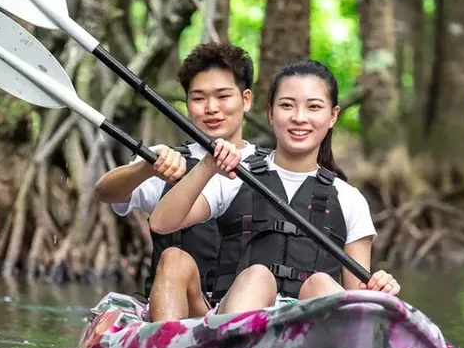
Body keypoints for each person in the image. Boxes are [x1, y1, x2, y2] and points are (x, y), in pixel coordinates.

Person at [149, 58, 399, 315]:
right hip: (232, 320)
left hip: (310, 330)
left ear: (333, 116)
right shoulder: (235, 175)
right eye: (287, 106)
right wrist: (206, 167)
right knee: (248, 274)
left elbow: (358, 294)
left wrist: (377, 290)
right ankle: (214, 347)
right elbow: (161, 222)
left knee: (321, 284)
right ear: (270, 113)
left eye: (313, 107)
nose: (299, 118)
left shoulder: (349, 198)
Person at [93, 42, 260, 321]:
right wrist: (145, 168)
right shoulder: (167, 162)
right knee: (173, 258)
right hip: (177, 307)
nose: (211, 108)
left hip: (242, 312)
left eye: (223, 96)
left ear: (246, 100)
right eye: (198, 98)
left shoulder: (269, 167)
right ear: (187, 104)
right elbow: (105, 192)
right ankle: (165, 345)